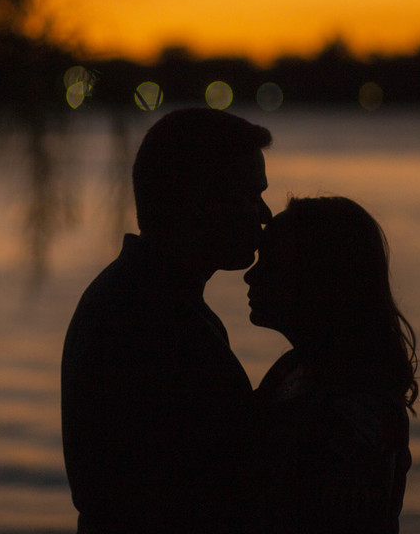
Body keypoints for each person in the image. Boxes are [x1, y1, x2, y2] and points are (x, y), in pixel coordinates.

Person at [61, 108, 273, 533]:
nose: (265, 213)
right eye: (249, 194)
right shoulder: (154, 323)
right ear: (198, 199)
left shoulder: (142, 298)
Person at [243, 196, 418, 534]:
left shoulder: (357, 414)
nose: (251, 276)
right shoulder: (293, 370)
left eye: (272, 263)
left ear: (318, 278)